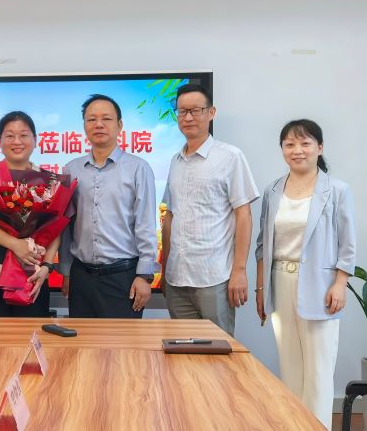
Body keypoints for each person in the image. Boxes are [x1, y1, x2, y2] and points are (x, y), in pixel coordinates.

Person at [255, 119, 355, 429]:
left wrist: (340, 284)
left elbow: (347, 243)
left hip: (320, 285)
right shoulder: (273, 190)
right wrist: (261, 289)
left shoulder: (336, 190)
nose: (297, 150)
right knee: (290, 367)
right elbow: (262, 245)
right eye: (290, 144)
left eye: (305, 143)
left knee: (318, 371)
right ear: (282, 150)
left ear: (319, 148)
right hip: (279, 281)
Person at [161, 84, 258, 336]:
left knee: (218, 351)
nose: (188, 117)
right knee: (182, 351)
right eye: (182, 111)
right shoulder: (175, 161)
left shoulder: (230, 157)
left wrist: (239, 271)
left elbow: (244, 216)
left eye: (196, 110)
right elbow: (170, 217)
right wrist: (164, 269)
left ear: (211, 112)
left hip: (214, 277)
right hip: (176, 278)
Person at [59, 94, 158, 318]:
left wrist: (144, 276)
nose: (99, 124)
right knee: (82, 340)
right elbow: (65, 226)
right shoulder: (71, 170)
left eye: (106, 118)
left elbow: (145, 224)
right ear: (84, 126)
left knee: (121, 341)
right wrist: (66, 271)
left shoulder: (138, 168)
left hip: (123, 277)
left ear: (119, 125)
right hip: (81, 277)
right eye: (91, 119)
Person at [0, 111, 58, 317]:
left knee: (31, 335)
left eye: (24, 135)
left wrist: (46, 266)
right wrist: (15, 244)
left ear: (35, 140)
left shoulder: (49, 180)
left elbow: (56, 229)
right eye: (9, 136)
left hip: (33, 275)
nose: (17, 141)